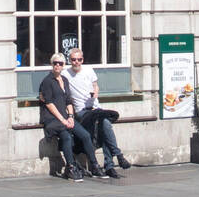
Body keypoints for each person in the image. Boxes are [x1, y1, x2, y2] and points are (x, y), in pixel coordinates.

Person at [63, 48, 131, 178]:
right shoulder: (66, 74)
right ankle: (118, 155)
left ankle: (110, 166)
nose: (76, 62)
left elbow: (95, 85)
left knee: (105, 125)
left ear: (82, 60)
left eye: (79, 59)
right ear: (69, 60)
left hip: (95, 107)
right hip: (82, 112)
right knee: (104, 123)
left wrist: (96, 92)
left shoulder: (89, 70)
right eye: (73, 60)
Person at [39, 53, 100, 181]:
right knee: (66, 137)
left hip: (66, 118)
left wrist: (71, 117)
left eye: (60, 63)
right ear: (52, 64)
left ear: (63, 66)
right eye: (55, 63)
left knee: (85, 135)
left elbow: (68, 102)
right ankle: (71, 167)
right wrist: (63, 120)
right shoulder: (47, 81)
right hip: (53, 119)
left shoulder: (64, 80)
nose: (57, 65)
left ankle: (94, 165)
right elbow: (49, 104)